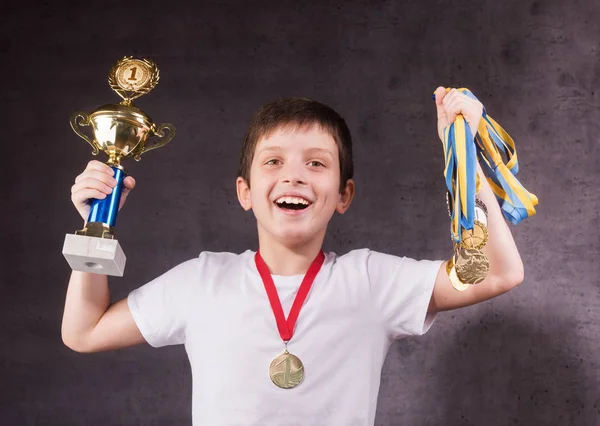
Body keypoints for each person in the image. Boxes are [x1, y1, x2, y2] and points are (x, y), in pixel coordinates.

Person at [61, 87, 524, 426]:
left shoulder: (370, 282)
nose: (294, 177)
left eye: (317, 163)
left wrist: (463, 159)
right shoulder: (202, 281)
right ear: (244, 191)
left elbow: (499, 273)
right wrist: (93, 228)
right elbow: (84, 332)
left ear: (344, 195)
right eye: (273, 161)